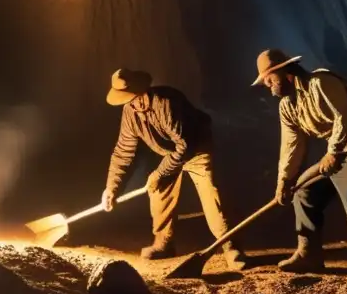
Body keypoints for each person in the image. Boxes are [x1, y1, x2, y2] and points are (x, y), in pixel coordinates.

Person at [253, 48, 347, 287]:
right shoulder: (287, 106)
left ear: (283, 72)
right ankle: (308, 254)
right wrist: (285, 180)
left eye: (269, 80)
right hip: (335, 145)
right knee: (303, 191)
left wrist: (334, 153)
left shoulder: (321, 83)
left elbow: (344, 118)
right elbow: (291, 145)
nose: (269, 88)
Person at [101, 68, 247, 269]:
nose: (135, 104)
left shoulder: (167, 102)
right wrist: (112, 187)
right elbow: (123, 151)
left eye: (136, 97)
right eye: (128, 100)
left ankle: (230, 244)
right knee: (159, 191)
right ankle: (164, 243)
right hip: (168, 152)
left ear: (145, 91)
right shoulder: (130, 112)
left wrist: (160, 172)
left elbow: (185, 146)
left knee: (212, 194)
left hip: (196, 147)